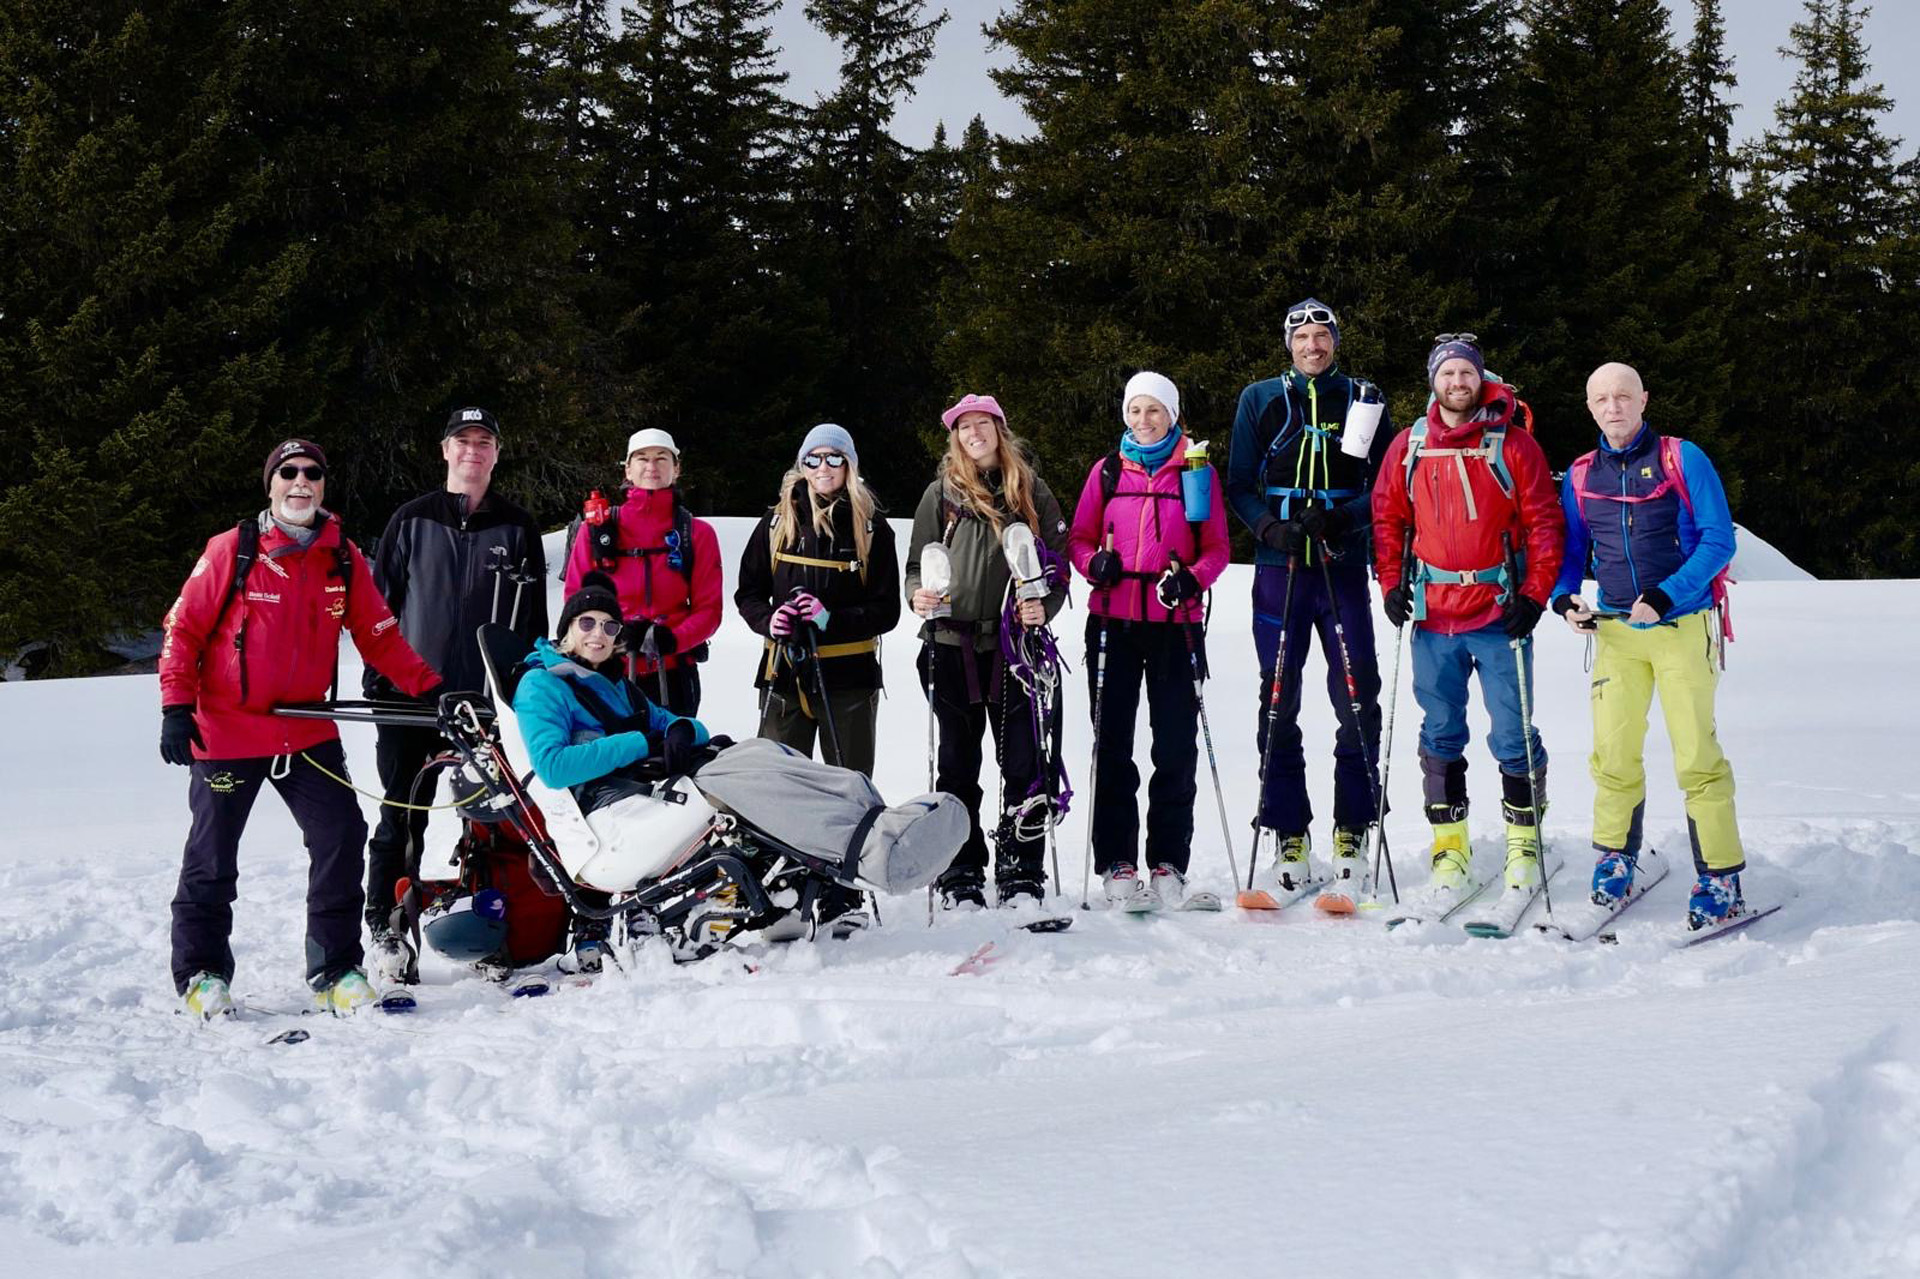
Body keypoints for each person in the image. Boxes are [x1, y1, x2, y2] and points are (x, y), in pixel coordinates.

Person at [159, 440, 442, 1019]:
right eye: (288, 472)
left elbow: (381, 637)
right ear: (271, 485)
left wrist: (432, 688)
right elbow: (182, 629)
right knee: (213, 856)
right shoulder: (233, 550)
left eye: (312, 473)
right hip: (228, 731)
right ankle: (202, 973)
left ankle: (335, 968)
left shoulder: (342, 557)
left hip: (306, 729)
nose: (300, 482)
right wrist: (175, 706)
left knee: (341, 836)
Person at [1552, 362, 1745, 929]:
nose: (1613, 407)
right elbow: (1569, 554)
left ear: (1643, 401)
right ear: (1590, 407)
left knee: (1696, 758)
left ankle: (1721, 875)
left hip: (1681, 629)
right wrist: (1565, 601)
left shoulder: (1682, 459)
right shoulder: (1583, 475)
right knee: (1612, 755)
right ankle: (1616, 860)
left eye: (1623, 396)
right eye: (1601, 398)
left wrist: (1666, 595)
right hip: (1614, 634)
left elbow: (1719, 539)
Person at [1372, 337, 1564, 902]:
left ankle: (1524, 844)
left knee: (1512, 730)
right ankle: (1450, 847)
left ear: (1480, 379)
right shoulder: (1409, 445)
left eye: (1466, 373)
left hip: (1500, 611)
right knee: (1439, 731)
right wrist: (1389, 585)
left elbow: (1545, 524)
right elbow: (1387, 519)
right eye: (1448, 373)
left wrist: (1533, 595)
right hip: (1434, 614)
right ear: (1434, 380)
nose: (1458, 382)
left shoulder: (1515, 445)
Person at [362, 406, 549, 980]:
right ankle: (388, 929)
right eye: (462, 440)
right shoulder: (412, 519)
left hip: (483, 701)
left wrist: (525, 691)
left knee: (494, 819)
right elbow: (375, 608)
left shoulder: (517, 527)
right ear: (445, 450)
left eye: (484, 441)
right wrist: (378, 678)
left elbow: (533, 623)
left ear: (496, 453)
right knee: (403, 813)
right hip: (408, 696)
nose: (473, 450)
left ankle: (494, 928)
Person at [1226, 298, 1395, 893]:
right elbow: (1239, 482)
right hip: (1280, 566)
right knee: (1279, 698)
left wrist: (1346, 518)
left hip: (1340, 563)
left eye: (1322, 336)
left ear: (1335, 341)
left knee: (1356, 693)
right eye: (1302, 339)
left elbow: (1386, 482)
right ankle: (1286, 828)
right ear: (1289, 346)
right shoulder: (1260, 398)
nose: (1313, 347)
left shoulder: (1363, 397)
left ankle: (1354, 825)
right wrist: (1269, 529)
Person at [904, 393, 1071, 907]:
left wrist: (1046, 604)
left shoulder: (1031, 492)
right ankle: (960, 867)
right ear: (955, 437)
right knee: (957, 762)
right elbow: (915, 565)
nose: (974, 433)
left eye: (983, 424)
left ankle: (1022, 867)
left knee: (1022, 759)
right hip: (950, 645)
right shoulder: (941, 494)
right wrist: (918, 596)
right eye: (964, 426)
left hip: (1014, 651)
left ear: (1000, 429)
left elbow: (1057, 565)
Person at [1071, 372, 1231, 907]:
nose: (1144, 420)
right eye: (1136, 410)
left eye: (1154, 411)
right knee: (1113, 745)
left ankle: (1168, 863)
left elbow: (1217, 549)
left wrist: (1194, 578)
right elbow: (1079, 537)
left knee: (1175, 746)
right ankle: (1117, 863)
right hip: (1113, 621)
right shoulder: (1108, 470)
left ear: (1172, 414)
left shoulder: (1195, 469)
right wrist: (1094, 563)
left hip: (1174, 623)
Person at [512, 575, 714, 967]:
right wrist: (639, 743)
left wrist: (682, 730)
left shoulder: (617, 684)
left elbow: (672, 722)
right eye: (586, 623)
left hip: (632, 791)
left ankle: (661, 904)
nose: (597, 634)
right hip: (593, 815)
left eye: (609, 626)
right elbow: (553, 767)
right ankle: (609, 921)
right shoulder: (541, 685)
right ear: (567, 629)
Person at [734, 424, 900, 776]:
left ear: (849, 465)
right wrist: (769, 620)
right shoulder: (777, 522)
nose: (823, 467)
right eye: (813, 459)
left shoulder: (871, 528)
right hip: (784, 675)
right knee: (779, 786)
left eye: (834, 458)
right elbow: (748, 592)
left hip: (849, 681)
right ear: (802, 464)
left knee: (848, 788)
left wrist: (831, 619)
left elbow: (886, 611)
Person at [563, 428, 722, 716]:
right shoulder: (595, 531)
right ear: (628, 469)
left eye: (662, 458)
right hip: (607, 669)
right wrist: (614, 636)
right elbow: (575, 602)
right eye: (642, 458)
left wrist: (672, 639)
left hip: (673, 671)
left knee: (675, 757)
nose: (651, 466)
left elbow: (709, 610)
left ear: (676, 468)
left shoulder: (696, 534)